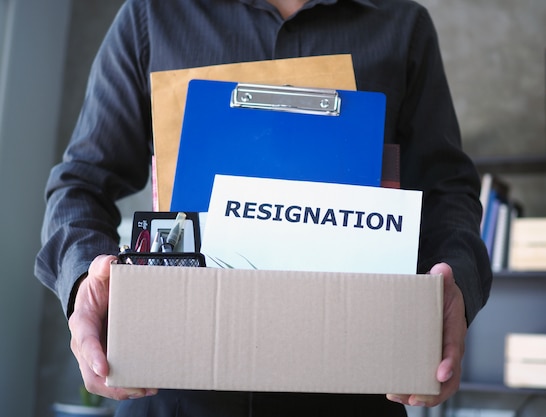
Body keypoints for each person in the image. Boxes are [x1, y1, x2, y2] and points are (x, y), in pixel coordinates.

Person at [35, 0, 492, 416]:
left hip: (348, 390)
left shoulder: (401, 24)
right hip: (172, 391)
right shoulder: (151, 15)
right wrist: (83, 281)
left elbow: (447, 189)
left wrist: (455, 285)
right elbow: (80, 185)